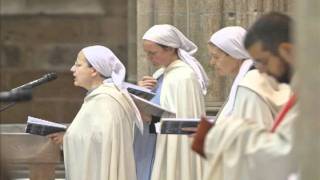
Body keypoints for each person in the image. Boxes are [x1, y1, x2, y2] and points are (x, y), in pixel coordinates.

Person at [202, 12, 298, 180]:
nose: (260, 70)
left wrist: (225, 133)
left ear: (287, 51)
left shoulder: (251, 84)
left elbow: (286, 153)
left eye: (263, 61)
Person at [191, 26, 291, 156]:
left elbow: (254, 141)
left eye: (216, 57)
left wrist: (211, 140)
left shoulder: (250, 84)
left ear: (235, 54)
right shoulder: (248, 78)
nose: (212, 62)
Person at [48, 45, 143, 180]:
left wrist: (67, 138)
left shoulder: (106, 100)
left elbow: (103, 142)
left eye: (78, 65)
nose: (72, 69)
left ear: (94, 70)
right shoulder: (101, 97)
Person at [134, 24, 208, 180]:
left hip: (171, 149)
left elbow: (184, 127)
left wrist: (149, 119)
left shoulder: (184, 77)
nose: (149, 58)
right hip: (151, 144)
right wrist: (140, 92)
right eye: (146, 53)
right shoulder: (161, 74)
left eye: (153, 53)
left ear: (170, 48)